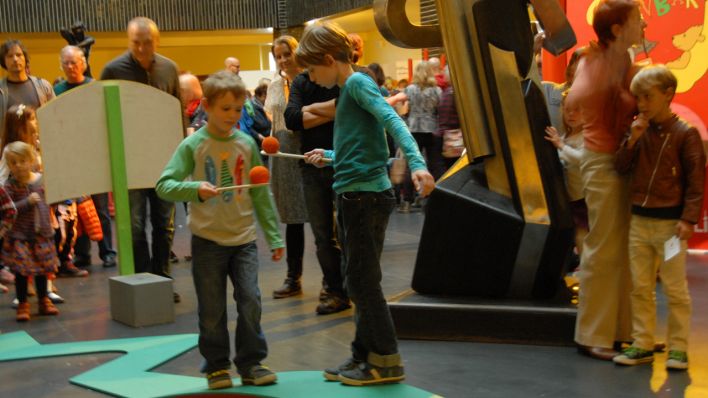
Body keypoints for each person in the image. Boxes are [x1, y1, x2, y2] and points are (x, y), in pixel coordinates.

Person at [297, 22, 435, 386]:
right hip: (355, 193)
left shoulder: (357, 84)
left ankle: (386, 359)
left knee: (362, 281)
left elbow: (392, 121)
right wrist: (328, 155)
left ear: (329, 59)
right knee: (356, 278)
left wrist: (418, 164)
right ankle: (362, 356)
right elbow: (362, 144)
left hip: (363, 197)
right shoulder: (348, 89)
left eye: (313, 70)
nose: (312, 78)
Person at [156, 71, 283, 389]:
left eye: (237, 109)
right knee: (211, 310)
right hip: (208, 241)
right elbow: (164, 185)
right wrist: (195, 188)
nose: (232, 115)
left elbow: (260, 193)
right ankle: (216, 365)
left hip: (244, 240)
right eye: (225, 108)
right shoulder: (193, 145)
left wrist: (274, 235)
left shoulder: (246, 144)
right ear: (208, 107)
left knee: (251, 301)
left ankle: (251, 362)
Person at [564, 0, 647, 360]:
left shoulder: (620, 60)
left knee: (621, 250)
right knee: (602, 249)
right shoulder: (595, 60)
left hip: (619, 163)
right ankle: (593, 334)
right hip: (602, 162)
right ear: (616, 29)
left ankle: (620, 332)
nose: (643, 27)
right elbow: (576, 101)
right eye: (637, 21)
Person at [612, 65, 704, 370]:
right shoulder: (639, 130)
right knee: (640, 287)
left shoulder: (685, 134)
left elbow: (695, 181)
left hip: (670, 227)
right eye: (639, 98)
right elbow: (621, 167)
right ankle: (643, 343)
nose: (642, 104)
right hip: (639, 220)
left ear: (668, 95)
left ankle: (678, 347)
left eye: (648, 97)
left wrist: (689, 219)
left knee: (675, 288)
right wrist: (633, 140)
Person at [101, 17, 181, 302]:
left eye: (148, 42)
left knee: (165, 225)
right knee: (134, 226)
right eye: (136, 42)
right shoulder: (112, 70)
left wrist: (182, 159)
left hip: (164, 163)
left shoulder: (170, 69)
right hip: (129, 164)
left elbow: (177, 116)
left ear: (157, 41)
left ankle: (162, 280)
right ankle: (144, 281)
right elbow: (104, 119)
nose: (143, 48)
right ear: (128, 41)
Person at [54, 45, 115, 273]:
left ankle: (107, 252)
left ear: (84, 64)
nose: (70, 67)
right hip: (69, 157)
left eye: (74, 62)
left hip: (95, 156)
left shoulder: (94, 87)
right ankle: (82, 255)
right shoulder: (56, 90)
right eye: (66, 63)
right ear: (61, 65)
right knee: (77, 209)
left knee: (100, 208)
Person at [266, 35, 310, 299]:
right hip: (283, 152)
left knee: (322, 217)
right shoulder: (274, 84)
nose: (283, 60)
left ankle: (335, 279)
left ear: (297, 53)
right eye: (278, 55)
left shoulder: (310, 80)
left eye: (286, 54)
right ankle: (293, 278)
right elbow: (272, 115)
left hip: (308, 148)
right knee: (293, 219)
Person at [2, 141, 60, 322]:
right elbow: (7, 208)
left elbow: (51, 200)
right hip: (20, 235)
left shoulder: (41, 180)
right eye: (13, 162)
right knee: (22, 271)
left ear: (31, 160)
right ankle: (23, 303)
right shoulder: (10, 186)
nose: (18, 166)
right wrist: (27, 202)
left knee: (43, 269)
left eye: (22, 161)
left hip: (42, 233)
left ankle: (44, 300)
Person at [544, 93, 588, 264]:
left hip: (584, 198)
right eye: (567, 110)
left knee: (583, 237)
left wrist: (560, 144)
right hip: (573, 197)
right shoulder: (567, 136)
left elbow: (581, 159)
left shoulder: (586, 137)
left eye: (577, 110)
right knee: (578, 236)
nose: (571, 114)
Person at [400, 61, 441, 212]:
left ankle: (406, 202)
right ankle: (431, 199)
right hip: (431, 129)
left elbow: (405, 109)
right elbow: (438, 109)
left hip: (413, 129)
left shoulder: (409, 89)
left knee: (411, 164)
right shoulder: (437, 90)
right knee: (433, 164)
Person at [0, 39, 55, 139]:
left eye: (19, 55)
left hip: (39, 146)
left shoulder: (43, 86)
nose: (15, 59)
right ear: (3, 61)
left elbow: (55, 115)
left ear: (25, 58)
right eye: (10, 56)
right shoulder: (1, 90)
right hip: (9, 149)